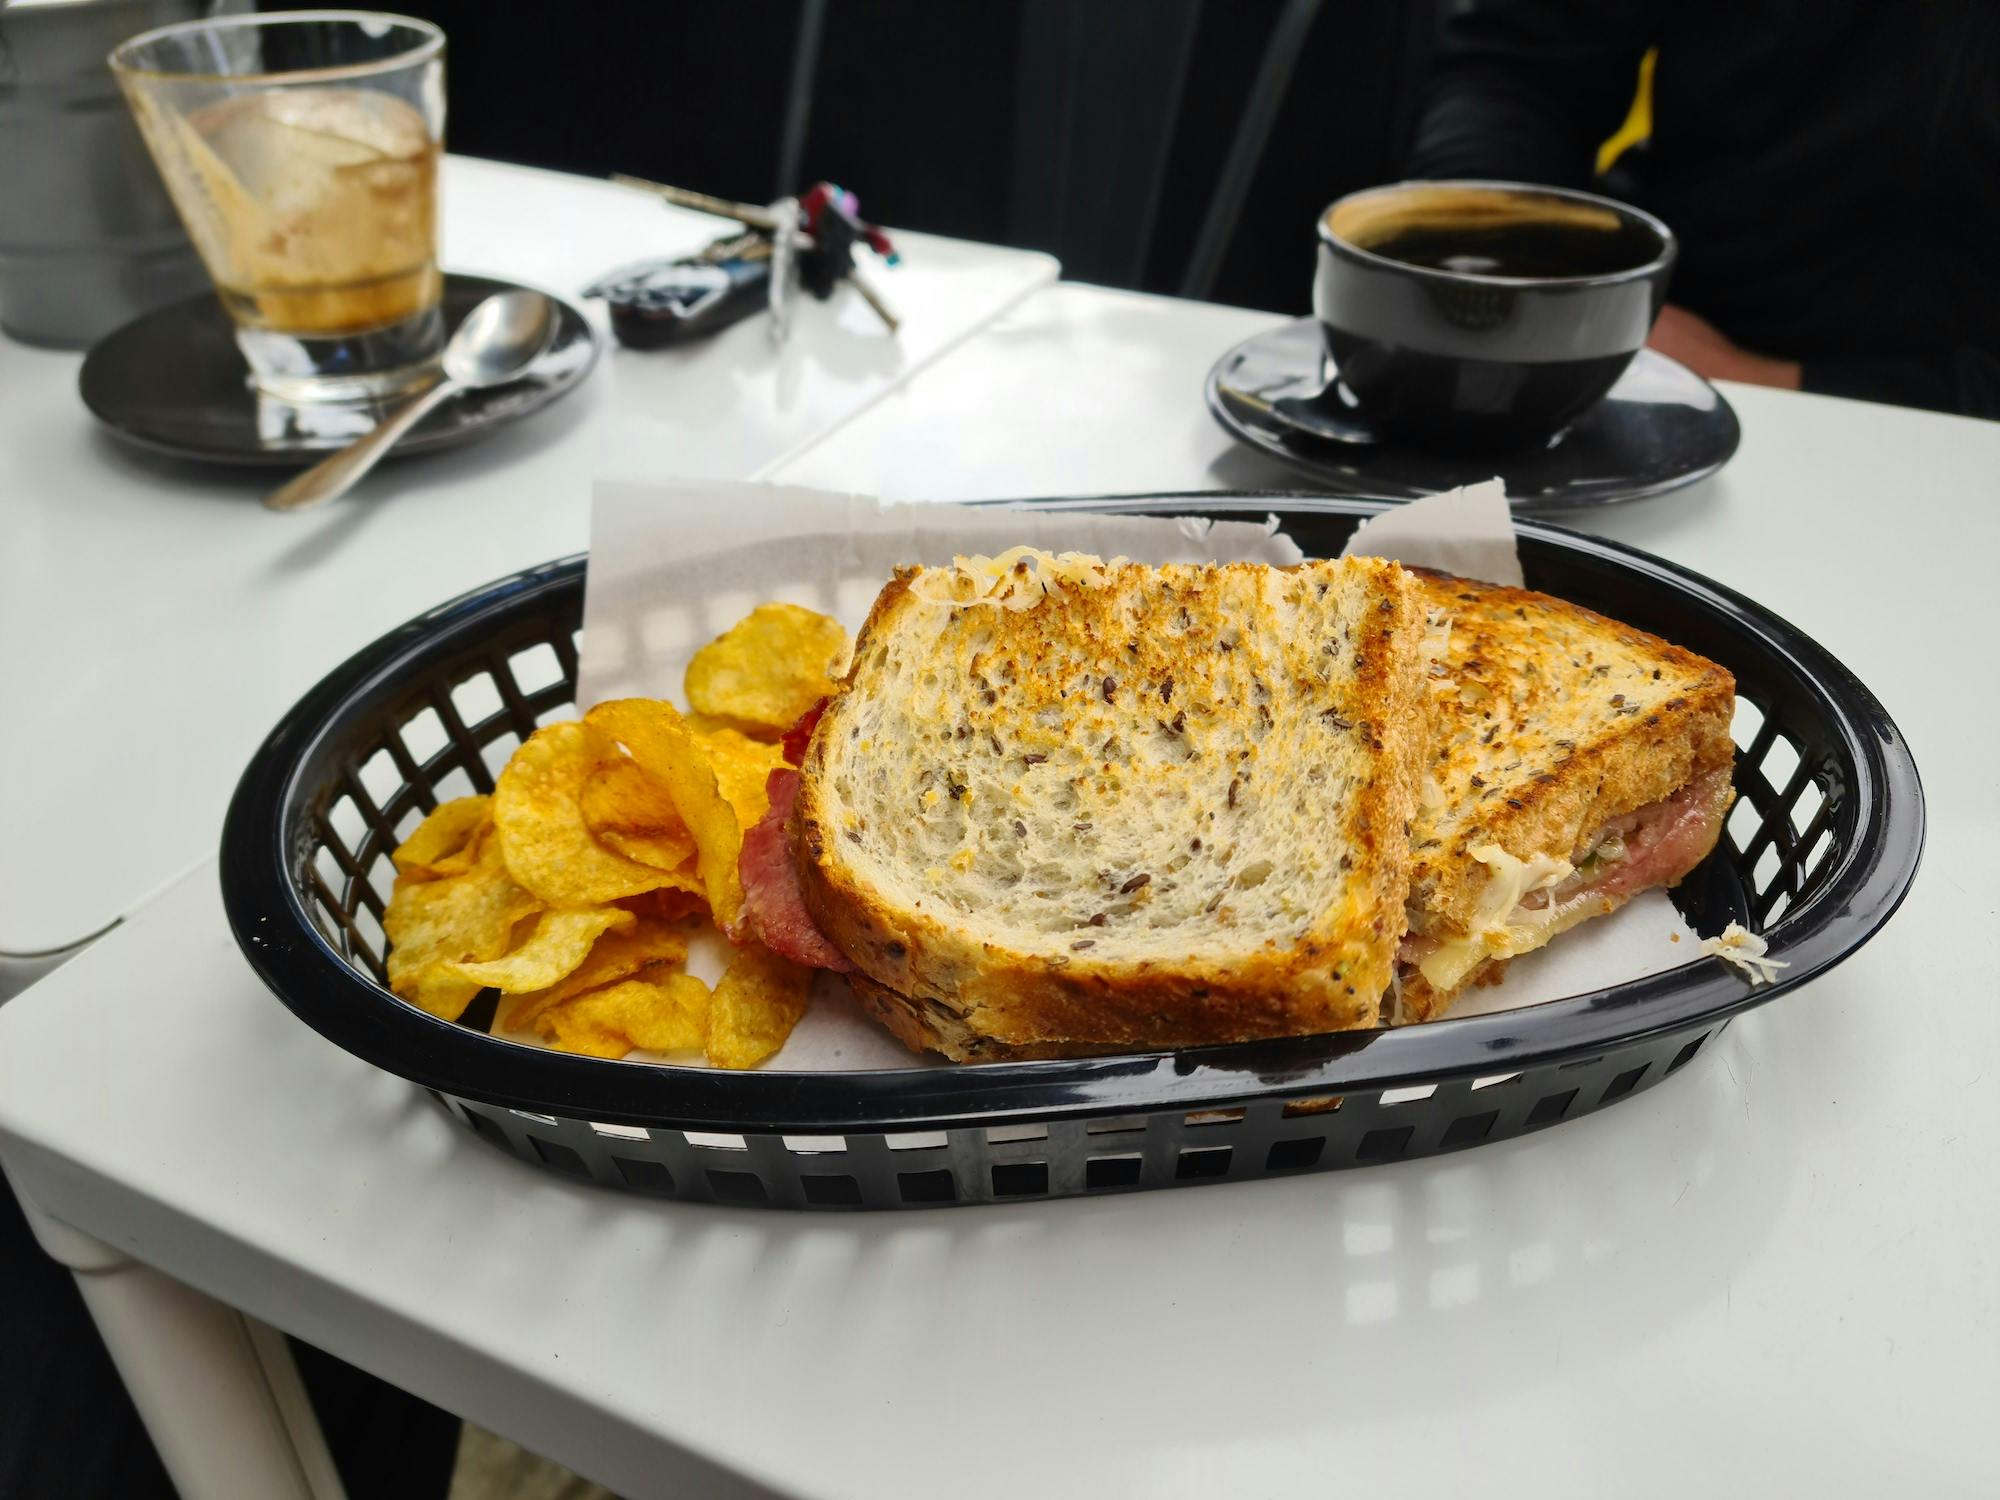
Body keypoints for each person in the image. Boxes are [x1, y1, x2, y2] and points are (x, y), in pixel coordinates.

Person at [1407, 0, 2000, 420]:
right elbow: (1523, 67)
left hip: (1960, 436)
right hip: (1658, 373)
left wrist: (1773, 381)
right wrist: (1498, 268)